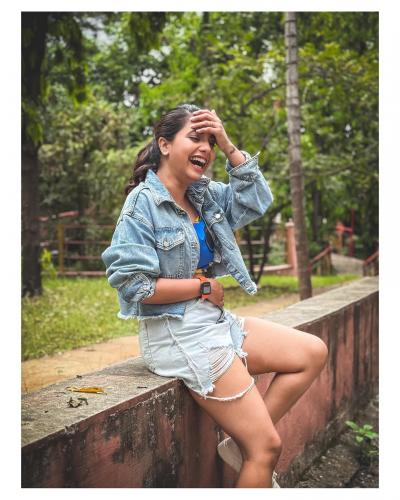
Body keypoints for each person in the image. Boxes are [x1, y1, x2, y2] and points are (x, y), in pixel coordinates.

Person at [101, 104, 328, 488]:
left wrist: (227, 144)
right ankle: (251, 446)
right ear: (164, 145)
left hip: (212, 323)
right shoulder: (143, 204)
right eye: (195, 138)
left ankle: (240, 443)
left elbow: (256, 199)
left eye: (210, 141)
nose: (205, 148)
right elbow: (136, 286)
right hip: (177, 333)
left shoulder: (203, 195)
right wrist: (202, 286)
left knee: (311, 352)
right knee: (266, 448)